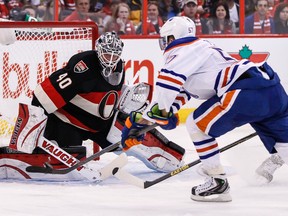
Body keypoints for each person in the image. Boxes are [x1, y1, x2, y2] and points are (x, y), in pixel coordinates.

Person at [121, 16, 288, 202]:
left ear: (171, 38)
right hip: (272, 89)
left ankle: (217, 181)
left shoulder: (181, 49)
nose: (164, 44)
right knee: (285, 145)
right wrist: (151, 118)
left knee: (196, 125)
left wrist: (154, 117)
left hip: (245, 93)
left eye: (164, 39)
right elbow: (182, 92)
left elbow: (167, 83)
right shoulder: (203, 48)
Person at [8, 31, 185, 179]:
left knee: (133, 136)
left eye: (115, 55)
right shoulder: (83, 66)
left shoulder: (119, 67)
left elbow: (112, 96)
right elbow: (44, 94)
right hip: (69, 122)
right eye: (107, 54)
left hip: (101, 123)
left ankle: (169, 157)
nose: (111, 59)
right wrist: (33, 129)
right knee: (62, 164)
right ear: (98, 50)